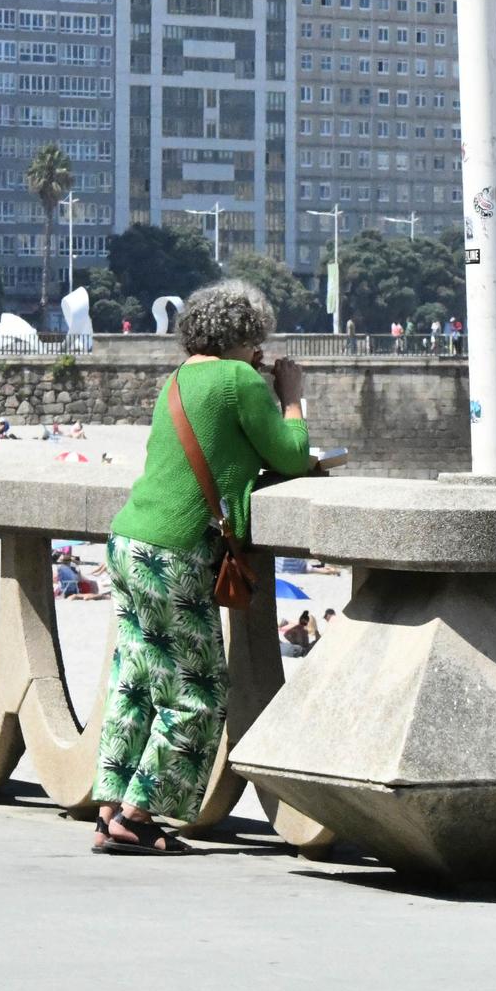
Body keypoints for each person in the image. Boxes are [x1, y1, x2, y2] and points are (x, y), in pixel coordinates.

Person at [92, 280, 312, 855]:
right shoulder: (238, 380)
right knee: (199, 693)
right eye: (258, 337)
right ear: (247, 335)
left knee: (137, 683)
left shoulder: (179, 378)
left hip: (128, 541)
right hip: (175, 552)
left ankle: (111, 805)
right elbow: (291, 454)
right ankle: (139, 818)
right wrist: (290, 395)